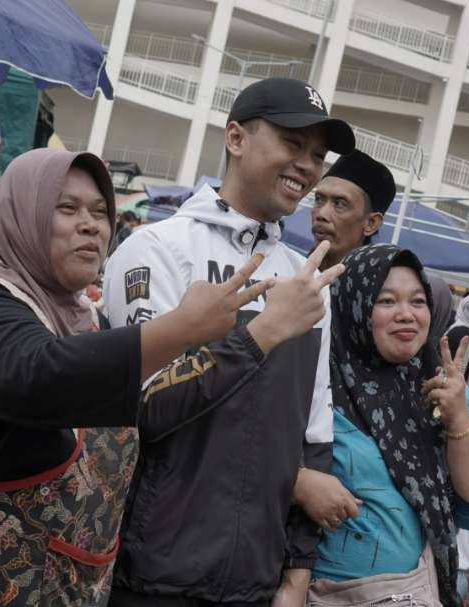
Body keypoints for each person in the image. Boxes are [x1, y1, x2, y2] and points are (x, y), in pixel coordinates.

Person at [0, 148, 272, 606]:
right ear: (22, 215)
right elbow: (40, 377)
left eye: (101, 212)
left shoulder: (88, 320)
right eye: (67, 208)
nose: (91, 225)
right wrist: (179, 329)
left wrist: (259, 336)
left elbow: (143, 406)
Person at [102, 77, 354, 606]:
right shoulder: (158, 250)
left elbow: (314, 434)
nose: (307, 166)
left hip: (254, 584)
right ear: (236, 138)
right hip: (149, 576)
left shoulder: (304, 278)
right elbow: (145, 407)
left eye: (317, 154)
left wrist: (297, 571)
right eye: (291, 143)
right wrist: (263, 333)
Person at [296, 244, 469, 606]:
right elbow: (249, 457)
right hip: (326, 594)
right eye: (386, 301)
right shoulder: (315, 379)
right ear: (355, 305)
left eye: (417, 301)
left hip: (413, 590)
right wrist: (297, 481)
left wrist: (458, 418)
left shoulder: (443, 388)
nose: (406, 315)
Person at [310, 149, 393, 271]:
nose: (321, 214)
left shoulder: (378, 289)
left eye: (339, 204)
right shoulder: (286, 271)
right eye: (319, 199)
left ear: (371, 223)